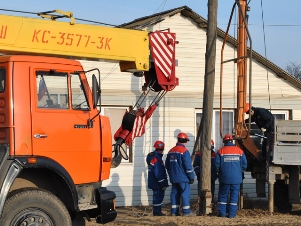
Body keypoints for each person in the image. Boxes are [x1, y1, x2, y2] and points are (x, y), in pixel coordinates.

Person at [215, 134, 247, 218]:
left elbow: (216, 165)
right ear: (232, 141)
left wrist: (220, 172)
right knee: (234, 196)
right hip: (236, 179)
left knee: (223, 195)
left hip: (224, 178)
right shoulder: (239, 151)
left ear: (224, 142)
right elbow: (244, 165)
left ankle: (222, 214)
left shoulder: (220, 151)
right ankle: (232, 215)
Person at [165, 132, 195, 216]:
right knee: (185, 194)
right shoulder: (184, 151)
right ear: (185, 141)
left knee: (174, 194)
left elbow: (167, 165)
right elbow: (187, 166)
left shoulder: (171, 151)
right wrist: (191, 177)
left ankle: (174, 212)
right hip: (183, 178)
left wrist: (171, 173)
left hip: (174, 178)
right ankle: (186, 212)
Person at [146, 140, 169, 216]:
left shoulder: (152, 158)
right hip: (158, 184)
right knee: (158, 198)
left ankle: (157, 212)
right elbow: (159, 174)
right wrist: (163, 184)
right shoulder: (157, 159)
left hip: (154, 182)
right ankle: (157, 212)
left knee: (156, 197)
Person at [193, 139, 218, 203]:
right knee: (201, 192)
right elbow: (196, 165)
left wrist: (215, 175)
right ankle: (201, 204)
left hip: (212, 177)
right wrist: (199, 173)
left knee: (211, 192)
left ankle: (210, 204)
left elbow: (216, 165)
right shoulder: (199, 155)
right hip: (202, 177)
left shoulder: (215, 155)